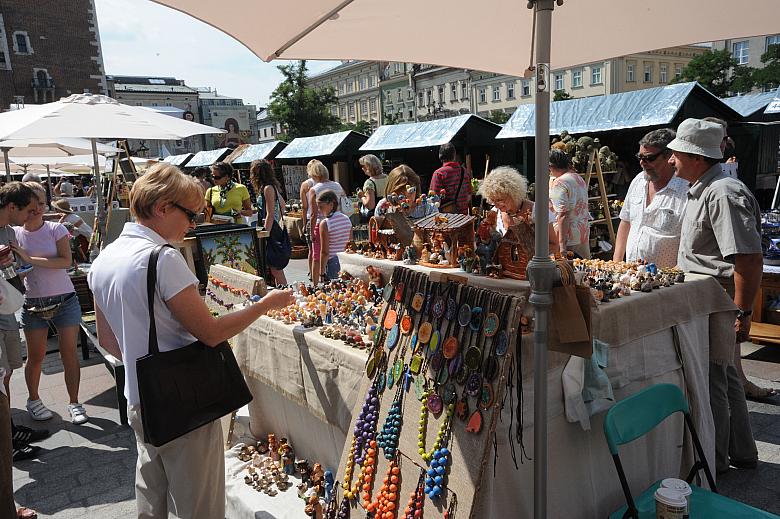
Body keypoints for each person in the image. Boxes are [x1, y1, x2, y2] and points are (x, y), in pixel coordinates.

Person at [88, 163, 294, 518]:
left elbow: (108, 339)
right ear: (162, 208)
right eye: (190, 214)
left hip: (140, 397)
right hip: (184, 404)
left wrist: (148, 358)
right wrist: (264, 305)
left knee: (151, 496)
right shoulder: (162, 259)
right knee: (198, 505)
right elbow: (211, 333)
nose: (193, 224)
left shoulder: (104, 258)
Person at [669, 117, 763, 474]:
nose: (672, 159)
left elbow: (749, 258)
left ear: (695, 156)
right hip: (708, 299)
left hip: (716, 301)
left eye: (676, 153)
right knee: (724, 376)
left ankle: (716, 461)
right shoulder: (705, 188)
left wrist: (742, 312)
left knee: (714, 379)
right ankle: (740, 451)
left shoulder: (722, 191)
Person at [12, 182, 88, 425]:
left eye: (41, 204)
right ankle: (33, 400)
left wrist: (28, 258)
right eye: (32, 205)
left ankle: (74, 402)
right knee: (36, 357)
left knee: (69, 353)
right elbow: (16, 269)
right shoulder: (13, 233)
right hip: (33, 302)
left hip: (65, 299)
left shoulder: (56, 229)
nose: (37, 210)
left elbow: (65, 262)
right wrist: (20, 269)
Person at [0, 183, 48, 463]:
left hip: (8, 309)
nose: (33, 215)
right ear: (12, 207)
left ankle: (9, 428)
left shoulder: (9, 231)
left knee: (7, 373)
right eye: (29, 210)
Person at [612, 129, 688, 267]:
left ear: (670, 156)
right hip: (631, 275)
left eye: (649, 158)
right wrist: (616, 263)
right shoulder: (638, 181)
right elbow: (626, 222)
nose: (642, 163)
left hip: (668, 282)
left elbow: (689, 242)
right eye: (639, 157)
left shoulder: (686, 190)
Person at [478, 166, 558, 249]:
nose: (496, 205)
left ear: (514, 194)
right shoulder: (494, 213)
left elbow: (554, 245)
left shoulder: (539, 211)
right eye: (493, 201)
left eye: (499, 200)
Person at [250, 159, 288, 286]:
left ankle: (286, 294)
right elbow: (282, 205)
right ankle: (283, 293)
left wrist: (266, 233)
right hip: (273, 227)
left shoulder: (267, 189)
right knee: (274, 268)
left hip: (270, 230)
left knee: (275, 268)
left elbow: (270, 214)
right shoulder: (272, 187)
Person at [307, 160, 345, 284]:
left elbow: (313, 214)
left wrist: (311, 231)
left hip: (321, 224)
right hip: (337, 222)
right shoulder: (337, 185)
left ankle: (316, 284)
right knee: (336, 253)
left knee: (317, 256)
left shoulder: (314, 189)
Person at [549, 148, 590, 259]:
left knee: (567, 272)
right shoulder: (578, 178)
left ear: (551, 166)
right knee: (584, 268)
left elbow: (563, 215)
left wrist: (562, 246)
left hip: (568, 236)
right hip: (583, 231)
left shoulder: (559, 182)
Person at [315, 190, 352, 284]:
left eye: (321, 207)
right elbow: (350, 243)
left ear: (331, 205)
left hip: (332, 262)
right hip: (346, 260)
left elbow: (324, 252)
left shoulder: (325, 223)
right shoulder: (347, 219)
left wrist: (321, 273)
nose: (319, 210)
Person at [430, 142, 472, 215]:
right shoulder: (464, 171)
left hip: (447, 220)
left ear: (440, 156)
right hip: (464, 218)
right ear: (454, 155)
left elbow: (433, 199)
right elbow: (469, 195)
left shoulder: (439, 173)